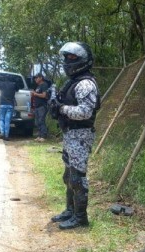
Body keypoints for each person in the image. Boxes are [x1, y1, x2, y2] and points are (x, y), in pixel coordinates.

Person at [48, 42, 100, 230]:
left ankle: (81, 218)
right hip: (71, 134)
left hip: (80, 135)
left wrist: (61, 108)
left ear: (82, 61)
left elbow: (85, 111)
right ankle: (70, 211)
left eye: (72, 58)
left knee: (77, 178)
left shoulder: (85, 83)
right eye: (66, 58)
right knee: (68, 176)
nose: (67, 61)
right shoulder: (74, 81)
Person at [30, 73, 49, 142]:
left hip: (42, 106)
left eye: (37, 78)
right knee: (37, 122)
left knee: (41, 121)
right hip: (37, 106)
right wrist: (33, 94)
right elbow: (36, 95)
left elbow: (44, 95)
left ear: (41, 78)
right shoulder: (38, 86)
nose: (35, 79)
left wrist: (35, 94)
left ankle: (43, 136)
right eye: (35, 78)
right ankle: (39, 135)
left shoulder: (44, 85)